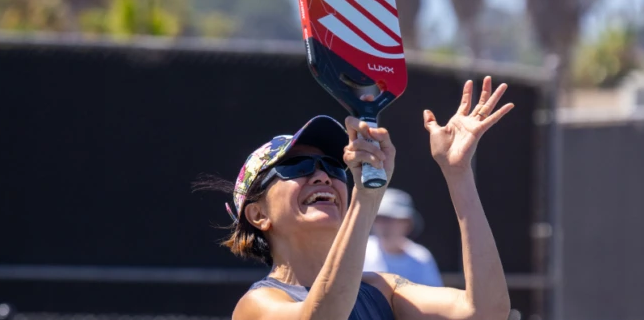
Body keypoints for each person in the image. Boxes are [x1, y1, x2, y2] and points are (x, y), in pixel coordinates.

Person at [211, 77, 514, 320]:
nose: (323, 176)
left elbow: (486, 312)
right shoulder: (256, 305)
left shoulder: (381, 289)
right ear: (257, 215)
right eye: (297, 167)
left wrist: (458, 173)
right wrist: (365, 198)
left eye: (333, 166)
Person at [363, 188, 444, 287]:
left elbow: (433, 296)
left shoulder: (421, 258)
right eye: (378, 218)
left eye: (389, 219)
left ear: (407, 223)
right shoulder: (359, 251)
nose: (383, 226)